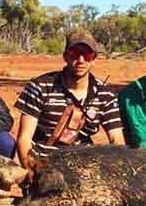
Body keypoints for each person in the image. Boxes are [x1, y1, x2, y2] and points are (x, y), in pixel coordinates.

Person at [14, 30, 125, 171]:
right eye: (74, 54)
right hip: (43, 163)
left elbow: (116, 139)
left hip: (84, 166)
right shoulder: (39, 86)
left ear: (94, 59)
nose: (81, 60)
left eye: (87, 55)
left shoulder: (105, 93)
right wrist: (30, 172)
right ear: (66, 56)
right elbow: (24, 138)